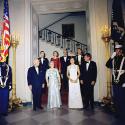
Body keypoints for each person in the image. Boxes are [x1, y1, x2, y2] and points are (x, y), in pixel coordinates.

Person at [106, 44, 125, 119]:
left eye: (118, 50)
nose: (117, 51)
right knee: (116, 99)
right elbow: (107, 65)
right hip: (115, 82)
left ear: (121, 50)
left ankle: (123, 114)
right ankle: (117, 113)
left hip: (122, 82)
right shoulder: (114, 59)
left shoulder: (124, 58)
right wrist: (111, 57)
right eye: (116, 50)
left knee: (122, 99)